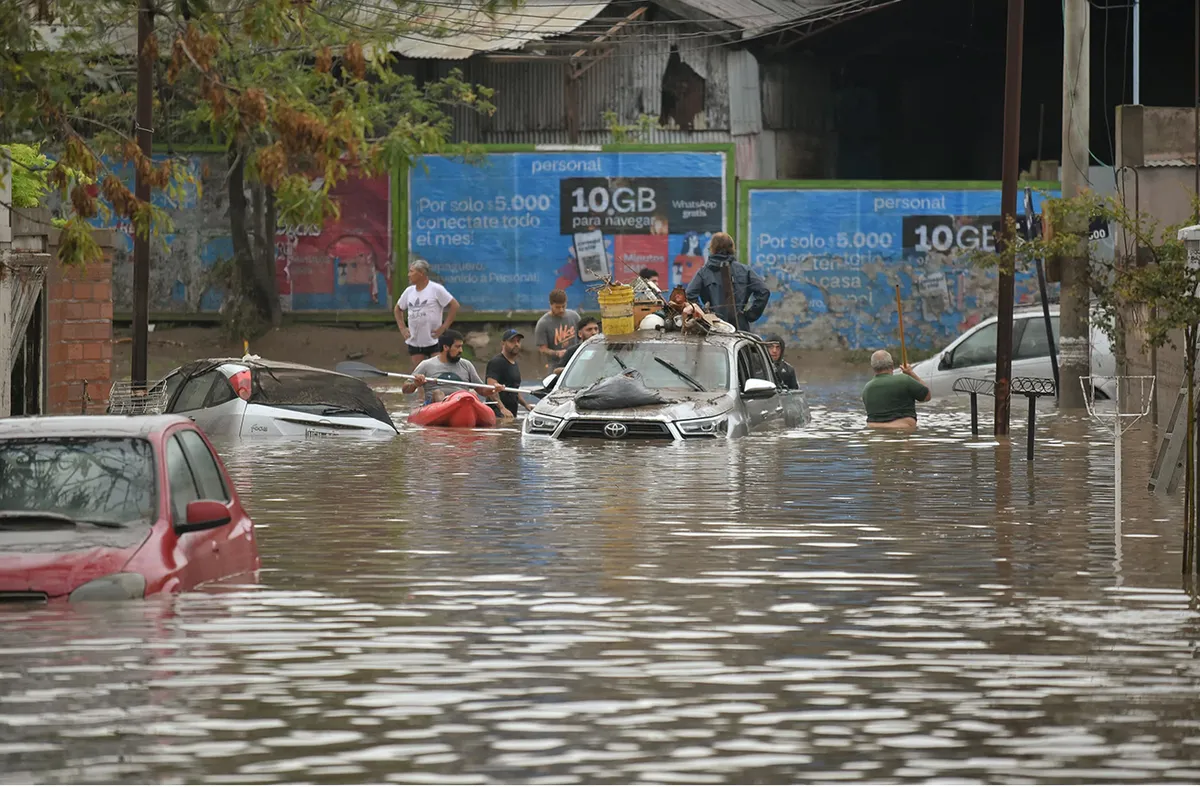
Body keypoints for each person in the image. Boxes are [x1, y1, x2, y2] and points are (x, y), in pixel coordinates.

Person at [402, 330, 505, 413]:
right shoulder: (426, 365)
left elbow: (482, 391)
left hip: (462, 403)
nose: (461, 350)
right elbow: (405, 389)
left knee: (472, 393)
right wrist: (415, 384)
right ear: (445, 347)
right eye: (457, 346)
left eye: (461, 346)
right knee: (438, 393)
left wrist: (493, 389)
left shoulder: (466, 365)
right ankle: (446, 411)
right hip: (435, 406)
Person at [684, 232, 770, 331]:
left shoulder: (703, 272)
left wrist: (704, 315)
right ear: (732, 247)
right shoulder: (745, 270)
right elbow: (764, 291)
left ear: (712, 248)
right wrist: (750, 315)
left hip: (713, 328)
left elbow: (688, 296)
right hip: (740, 328)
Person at [394, 259, 459, 366]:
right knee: (419, 371)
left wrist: (444, 327)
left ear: (421, 273)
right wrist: (402, 328)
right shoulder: (409, 291)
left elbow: (454, 305)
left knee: (437, 369)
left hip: (434, 340)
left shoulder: (436, 289)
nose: (408, 275)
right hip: (415, 341)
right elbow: (397, 309)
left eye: (411, 271)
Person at [861, 349, 931, 429]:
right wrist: (911, 373)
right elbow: (927, 396)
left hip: (874, 431)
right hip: (903, 430)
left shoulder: (867, 388)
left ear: (873, 368)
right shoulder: (905, 380)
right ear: (892, 365)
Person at [485, 329, 532, 419]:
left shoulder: (514, 364)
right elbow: (491, 389)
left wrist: (526, 405)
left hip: (511, 414)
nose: (516, 344)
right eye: (512, 341)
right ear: (503, 344)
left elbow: (514, 389)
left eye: (518, 341)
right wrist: (502, 408)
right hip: (497, 414)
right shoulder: (496, 362)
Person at [534, 289, 581, 369]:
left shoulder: (575, 317)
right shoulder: (543, 323)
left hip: (575, 363)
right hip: (555, 365)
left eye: (563, 306)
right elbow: (542, 349)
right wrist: (557, 353)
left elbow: (582, 338)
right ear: (550, 305)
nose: (561, 310)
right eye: (557, 307)